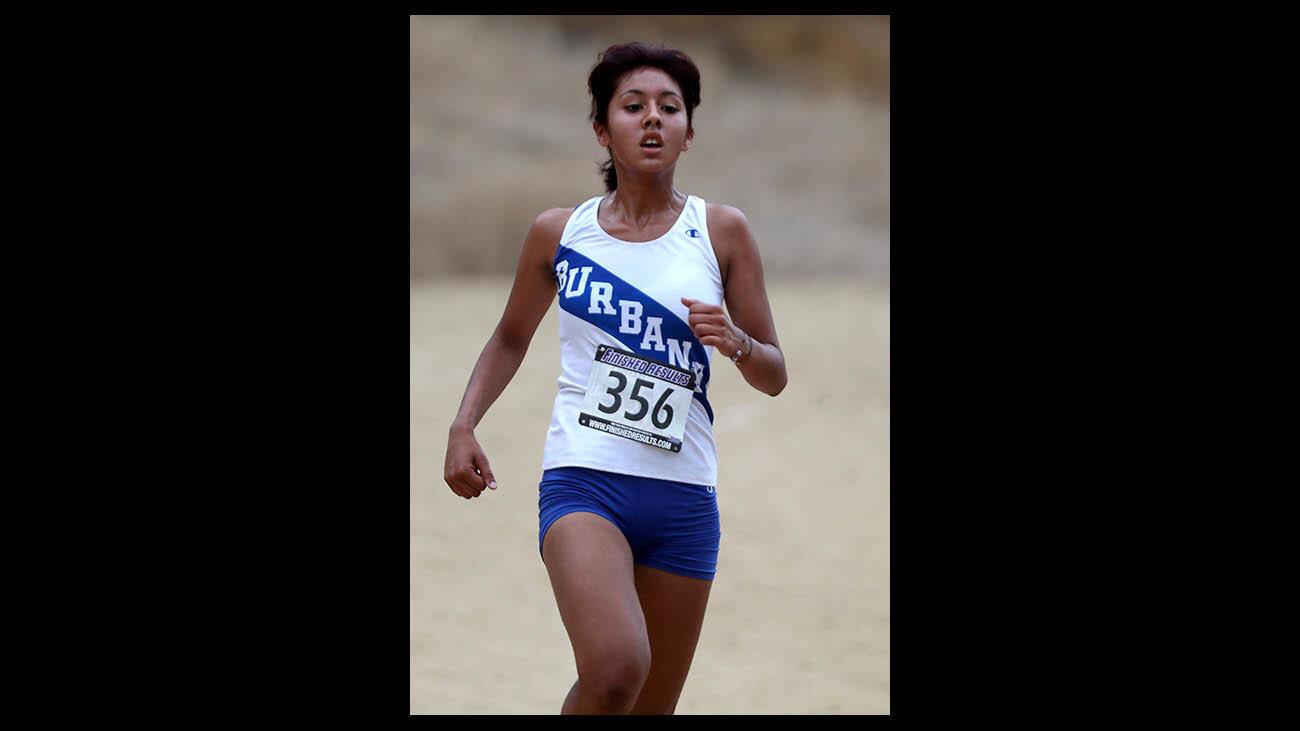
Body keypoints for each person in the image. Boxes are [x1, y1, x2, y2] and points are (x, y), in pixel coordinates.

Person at [443, 41, 787, 715]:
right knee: (615, 667)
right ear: (603, 128)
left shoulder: (722, 233)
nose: (653, 119)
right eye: (633, 107)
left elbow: (774, 373)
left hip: (684, 499)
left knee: (646, 707)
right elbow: (511, 336)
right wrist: (463, 423)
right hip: (584, 481)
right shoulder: (558, 234)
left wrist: (740, 343)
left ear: (689, 131)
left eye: (670, 107)